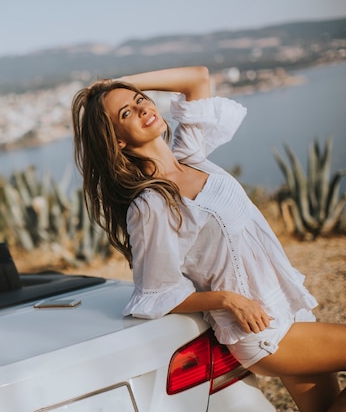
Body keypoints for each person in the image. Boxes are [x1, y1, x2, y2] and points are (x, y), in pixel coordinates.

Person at [71, 66, 346, 412]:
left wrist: (118, 86)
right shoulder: (151, 205)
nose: (143, 108)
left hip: (287, 305)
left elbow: (198, 78)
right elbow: (155, 294)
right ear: (118, 141)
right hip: (264, 331)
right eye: (126, 112)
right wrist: (227, 300)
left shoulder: (190, 155)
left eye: (141, 101)